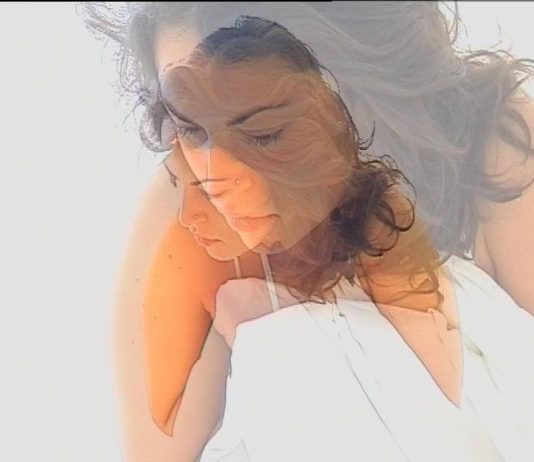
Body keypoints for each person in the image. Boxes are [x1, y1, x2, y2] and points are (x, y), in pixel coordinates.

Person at [81, 2, 534, 460]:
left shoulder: (501, 150)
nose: (220, 173)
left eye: (261, 130)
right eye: (191, 126)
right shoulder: (188, 210)